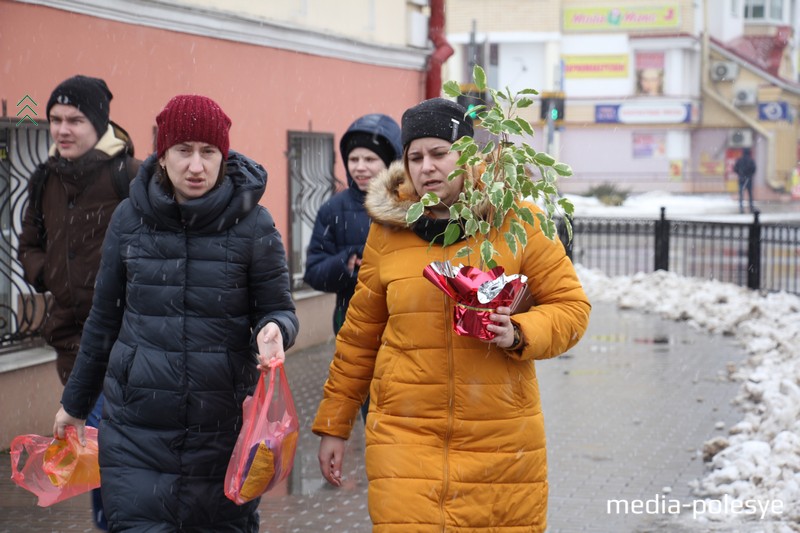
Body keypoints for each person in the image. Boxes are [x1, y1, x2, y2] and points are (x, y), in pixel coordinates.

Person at [312, 97, 591, 531]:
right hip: (404, 435)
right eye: (415, 156)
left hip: (499, 440)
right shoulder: (387, 234)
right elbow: (359, 337)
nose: (427, 167)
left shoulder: (518, 222)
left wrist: (518, 331)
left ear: (467, 154)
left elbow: (571, 308)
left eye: (440, 153)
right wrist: (334, 424)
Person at [53, 94, 299, 531]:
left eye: (209, 152)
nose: (197, 166)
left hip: (222, 431)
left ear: (224, 156)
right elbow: (104, 322)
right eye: (183, 151)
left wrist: (275, 329)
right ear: (162, 156)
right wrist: (74, 405)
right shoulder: (129, 219)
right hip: (136, 431)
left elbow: (278, 308)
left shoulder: (254, 225)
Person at [18, 74, 141, 530]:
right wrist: (48, 273)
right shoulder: (45, 176)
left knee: (108, 448)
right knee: (90, 450)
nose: (61, 129)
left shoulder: (128, 174)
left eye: (74, 119)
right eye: (54, 119)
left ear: (99, 123)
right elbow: (28, 242)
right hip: (71, 341)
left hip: (124, 338)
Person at [304, 113, 401, 422]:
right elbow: (314, 271)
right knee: (373, 412)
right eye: (354, 158)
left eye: (370, 159)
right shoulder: (334, 209)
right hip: (353, 321)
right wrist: (345, 262)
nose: (359, 167)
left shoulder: (409, 205)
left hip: (403, 319)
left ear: (390, 161)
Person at [734, 147, 757, 213]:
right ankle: (751, 208)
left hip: (741, 179)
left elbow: (735, 168)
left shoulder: (740, 160)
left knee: (741, 195)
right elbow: (754, 169)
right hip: (748, 179)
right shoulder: (751, 160)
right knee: (750, 194)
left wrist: (740, 174)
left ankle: (741, 209)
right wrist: (750, 175)